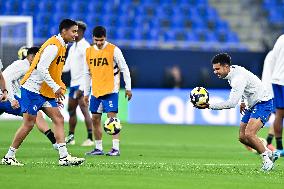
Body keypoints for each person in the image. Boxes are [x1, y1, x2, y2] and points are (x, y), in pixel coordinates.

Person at [1, 19, 85, 166]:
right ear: (64, 31)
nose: (76, 35)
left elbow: (55, 72)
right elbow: (41, 68)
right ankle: (9, 156)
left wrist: (55, 91)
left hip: (45, 91)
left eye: (77, 31)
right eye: (73, 31)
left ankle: (64, 157)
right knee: (28, 124)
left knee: (58, 119)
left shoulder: (62, 46)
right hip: (32, 90)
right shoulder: (53, 46)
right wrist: (55, 88)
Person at [194, 53, 276, 171]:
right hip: (252, 103)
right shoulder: (233, 72)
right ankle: (268, 152)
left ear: (226, 67)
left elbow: (231, 103)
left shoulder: (237, 79)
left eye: (217, 69)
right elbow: (247, 86)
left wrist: (208, 106)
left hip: (263, 102)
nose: (215, 72)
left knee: (250, 134)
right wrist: (243, 101)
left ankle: (267, 161)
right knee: (242, 137)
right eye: (214, 69)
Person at [82, 26, 132, 156]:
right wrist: (86, 93)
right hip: (96, 91)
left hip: (111, 89)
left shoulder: (114, 50)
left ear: (105, 38)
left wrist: (128, 88)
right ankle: (98, 148)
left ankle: (115, 148)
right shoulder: (88, 52)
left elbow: (124, 68)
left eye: (101, 40)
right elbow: (87, 73)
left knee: (112, 119)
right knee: (95, 119)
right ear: (92, 38)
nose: (99, 43)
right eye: (96, 40)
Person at [0, 47, 57, 150]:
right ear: (30, 57)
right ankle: (55, 142)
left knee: (33, 115)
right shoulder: (22, 65)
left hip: (5, 96)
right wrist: (11, 99)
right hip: (4, 98)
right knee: (35, 115)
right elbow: (5, 77)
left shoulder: (27, 68)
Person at [63, 21, 93, 147]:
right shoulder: (73, 47)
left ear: (81, 32)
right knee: (71, 109)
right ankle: (71, 136)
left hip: (82, 84)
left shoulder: (85, 47)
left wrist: (82, 87)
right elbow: (67, 67)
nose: (74, 33)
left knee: (84, 110)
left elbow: (90, 69)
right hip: (73, 83)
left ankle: (90, 138)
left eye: (76, 31)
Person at [269, 34, 284, 157]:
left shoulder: (281, 38)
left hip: (277, 80)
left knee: (279, 113)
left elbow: (273, 58)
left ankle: (279, 147)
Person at [261, 50, 276, 151]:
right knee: (278, 115)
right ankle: (248, 136)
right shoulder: (277, 55)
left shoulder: (271, 54)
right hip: (274, 88)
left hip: (267, 87)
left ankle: (268, 142)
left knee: (270, 115)